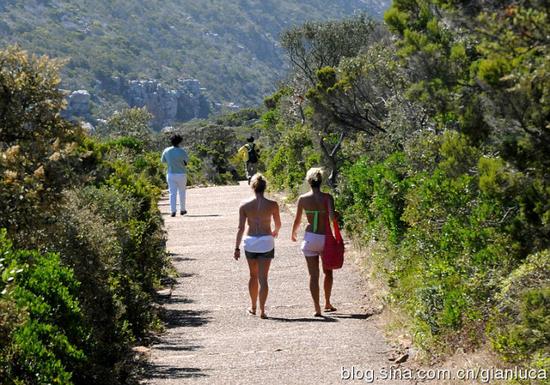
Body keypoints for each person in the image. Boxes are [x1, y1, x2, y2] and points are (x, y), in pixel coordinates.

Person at [291, 167, 337, 316]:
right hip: (325, 238)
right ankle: (327, 302)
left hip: (310, 238)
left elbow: (297, 220)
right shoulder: (328, 198)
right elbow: (331, 218)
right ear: (321, 181)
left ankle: (317, 308)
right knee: (327, 272)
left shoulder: (303, 199)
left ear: (308, 181)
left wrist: (293, 233)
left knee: (313, 275)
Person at [234, 174, 281, 319]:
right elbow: (278, 224)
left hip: (251, 241)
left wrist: (236, 247)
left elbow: (240, 228)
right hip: (266, 240)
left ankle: (253, 306)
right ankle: (262, 311)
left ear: (252, 187)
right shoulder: (273, 204)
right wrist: (275, 232)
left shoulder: (245, 205)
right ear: (265, 187)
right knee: (263, 278)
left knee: (252, 275)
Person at [161, 134, 189, 217]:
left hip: (170, 174)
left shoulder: (166, 150)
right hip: (181, 174)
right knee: (182, 192)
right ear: (179, 142)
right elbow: (186, 162)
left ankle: (173, 211)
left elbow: (163, 161)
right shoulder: (182, 151)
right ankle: (182, 210)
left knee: (172, 193)